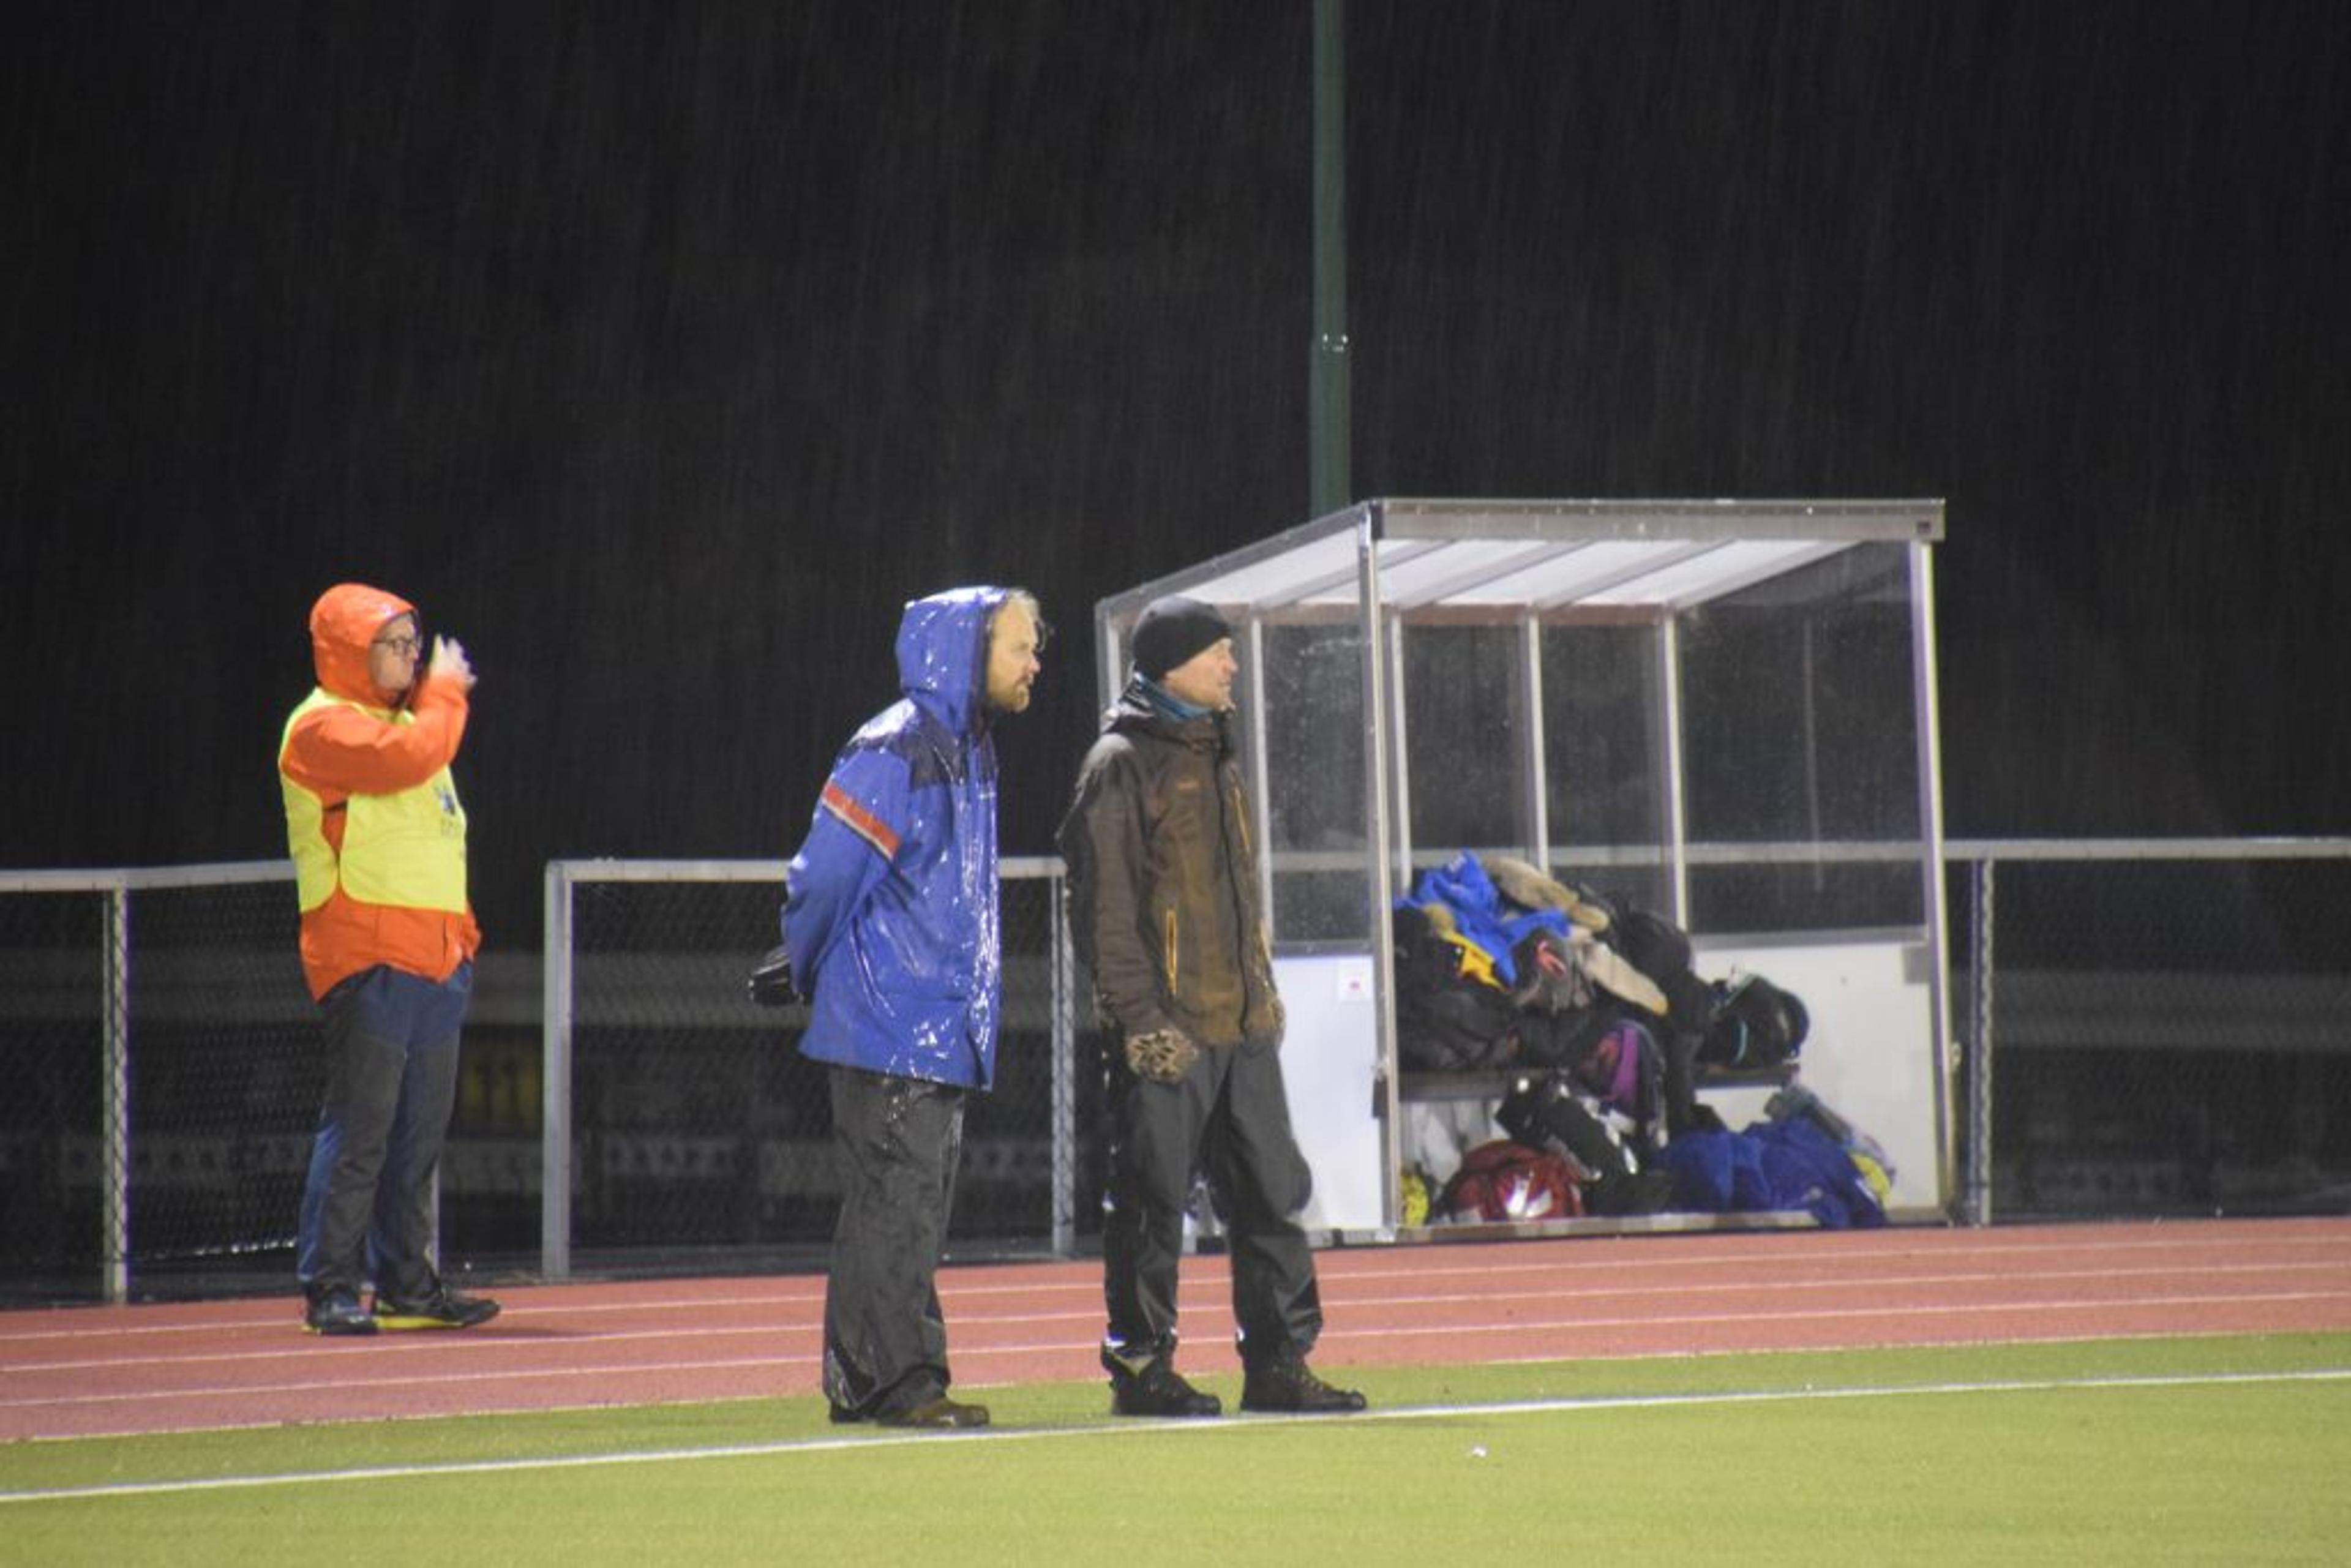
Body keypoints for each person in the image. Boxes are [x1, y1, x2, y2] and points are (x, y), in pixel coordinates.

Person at [1058, 595, 1366, 1417]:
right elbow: (1104, 912)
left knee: (1271, 1198)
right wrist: (1140, 1023)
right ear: (1172, 665)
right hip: (1169, 1029)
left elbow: (1237, 899)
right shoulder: (1120, 762)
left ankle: (1279, 1363)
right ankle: (1142, 1370)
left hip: (1240, 1026)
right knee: (1151, 1205)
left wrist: (1259, 993)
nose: (1233, 664)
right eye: (1218, 651)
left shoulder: (1216, 754)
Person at [781, 586, 1044, 1430]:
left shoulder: (966, 751)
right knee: (898, 1207)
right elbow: (825, 876)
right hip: (892, 1018)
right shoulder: (897, 747)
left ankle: (868, 1378)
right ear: (966, 650)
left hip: (925, 1022)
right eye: (1019, 647)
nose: (1035, 664)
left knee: (898, 1207)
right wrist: (802, 960)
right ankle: (900, 1381)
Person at [279, 583, 500, 1336]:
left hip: (434, 963)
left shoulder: (409, 725)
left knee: (416, 1141)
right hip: (367, 956)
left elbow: (437, 840)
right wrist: (447, 693)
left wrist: (461, 940)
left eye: (414, 644)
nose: (412, 657)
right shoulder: (321, 727)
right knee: (361, 1132)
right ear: (351, 650)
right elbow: (410, 758)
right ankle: (330, 1287)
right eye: (396, 644)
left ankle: (408, 1283)